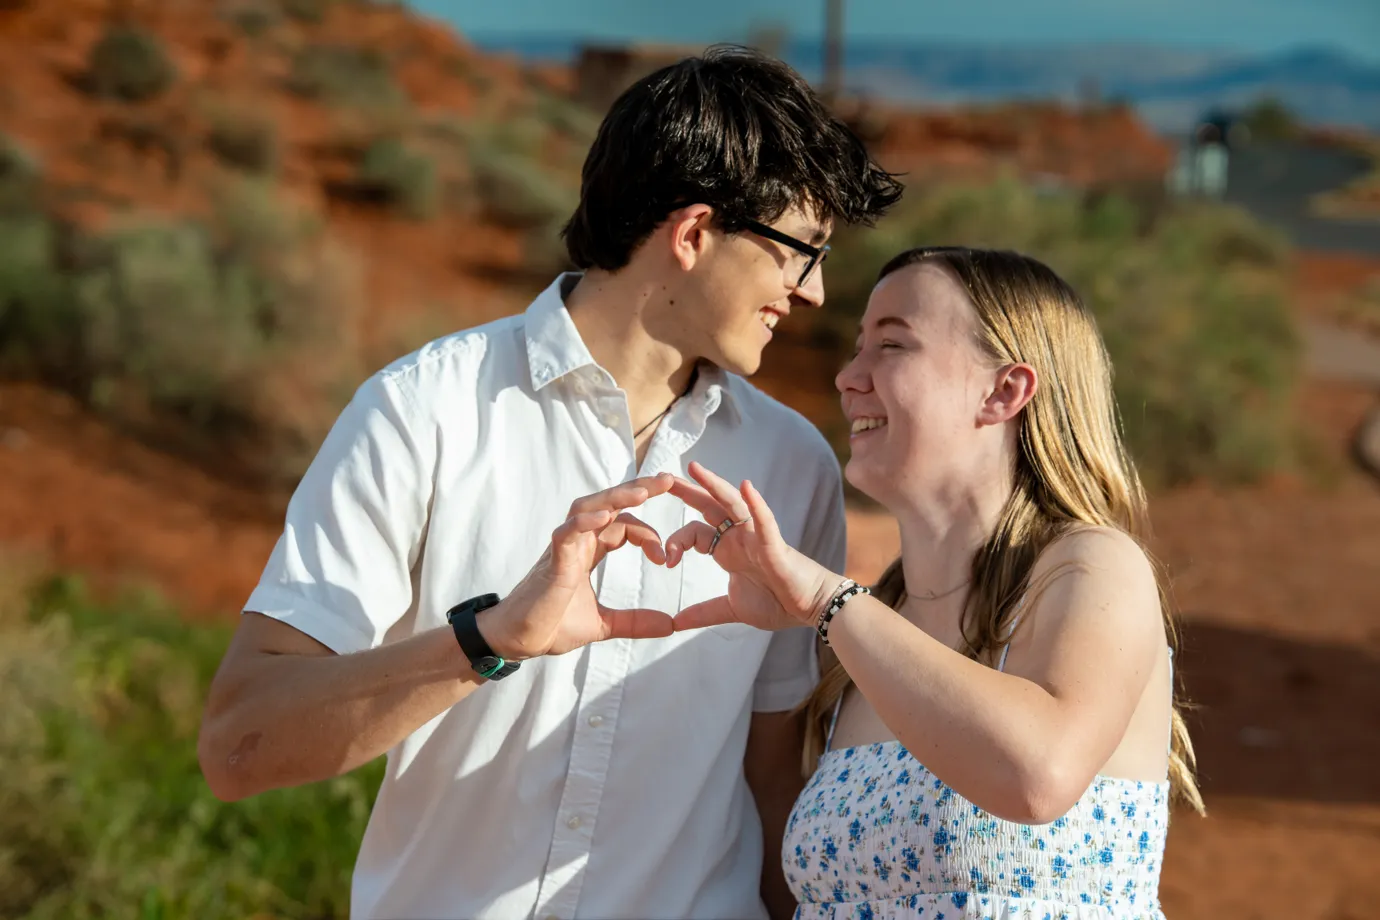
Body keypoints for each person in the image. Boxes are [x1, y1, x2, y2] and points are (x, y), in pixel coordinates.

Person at [195, 45, 902, 920]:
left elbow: (769, 781)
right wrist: (486, 641)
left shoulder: (794, 470)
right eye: (801, 253)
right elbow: (238, 747)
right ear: (692, 235)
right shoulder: (425, 412)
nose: (815, 293)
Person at [666, 247, 1205, 919]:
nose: (847, 377)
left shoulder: (1093, 566)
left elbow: (1039, 774)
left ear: (1004, 391)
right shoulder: (867, 640)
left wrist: (825, 601)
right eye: (859, 347)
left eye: (891, 345)